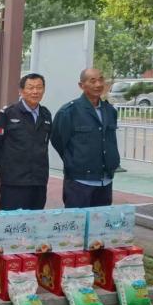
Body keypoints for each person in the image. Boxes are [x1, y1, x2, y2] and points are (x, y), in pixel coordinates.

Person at [51, 68, 120, 208]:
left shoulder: (110, 111)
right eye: (92, 81)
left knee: (100, 220)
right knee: (77, 221)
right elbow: (57, 140)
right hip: (79, 181)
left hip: (105, 180)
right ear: (81, 85)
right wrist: (74, 161)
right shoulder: (69, 111)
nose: (98, 84)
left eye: (101, 79)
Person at [0, 73, 52, 210]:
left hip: (38, 181)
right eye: (30, 87)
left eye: (39, 87)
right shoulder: (8, 114)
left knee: (36, 219)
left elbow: (46, 142)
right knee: (12, 220)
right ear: (21, 91)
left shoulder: (46, 114)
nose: (35, 91)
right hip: (14, 182)